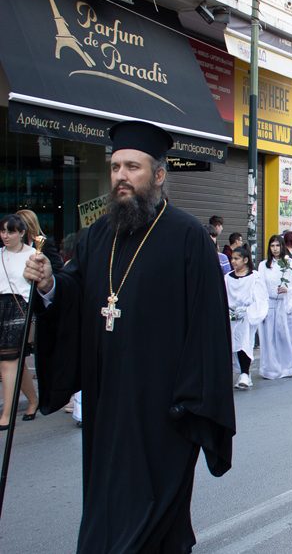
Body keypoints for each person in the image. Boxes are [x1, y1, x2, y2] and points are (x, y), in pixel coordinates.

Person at [24, 120, 235, 552]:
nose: (121, 176)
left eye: (133, 167)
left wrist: (191, 402)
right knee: (107, 508)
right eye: (116, 166)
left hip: (165, 409)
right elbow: (74, 292)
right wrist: (48, 285)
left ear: (158, 175)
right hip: (106, 402)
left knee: (157, 518)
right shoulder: (96, 235)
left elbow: (208, 326)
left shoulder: (188, 237)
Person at [0, 214, 40, 428]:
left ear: (22, 233)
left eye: (11, 231)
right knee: (17, 362)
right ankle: (32, 401)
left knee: (8, 360)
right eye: (3, 231)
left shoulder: (33, 254)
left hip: (20, 308)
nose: (5, 236)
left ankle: (6, 414)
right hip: (1, 306)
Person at [257, 235, 292, 379]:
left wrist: (287, 290)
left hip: (284, 304)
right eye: (272, 246)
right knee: (270, 337)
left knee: (285, 336)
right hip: (270, 304)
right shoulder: (264, 265)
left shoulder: (290, 264)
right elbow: (260, 287)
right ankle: (271, 367)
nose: (275, 249)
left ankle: (288, 365)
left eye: (278, 245)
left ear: (282, 246)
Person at [225, 246, 268, 390]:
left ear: (245, 260)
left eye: (236, 258)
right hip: (231, 316)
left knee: (245, 342)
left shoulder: (254, 277)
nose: (233, 261)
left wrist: (248, 311)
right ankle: (237, 372)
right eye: (232, 258)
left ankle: (244, 372)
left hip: (247, 316)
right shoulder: (227, 278)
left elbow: (260, 298)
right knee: (230, 344)